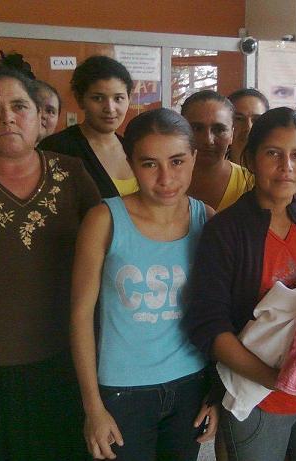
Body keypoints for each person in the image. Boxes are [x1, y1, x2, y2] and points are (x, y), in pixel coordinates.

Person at [186, 107, 296, 461]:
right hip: (259, 397)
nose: (287, 166)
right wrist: (277, 380)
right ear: (250, 160)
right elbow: (208, 324)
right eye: (273, 153)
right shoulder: (225, 231)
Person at [0, 52, 100, 460]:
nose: (7, 118)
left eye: (19, 106)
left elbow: (109, 247)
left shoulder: (72, 173)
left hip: (61, 357)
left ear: (40, 116)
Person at [70, 108, 218, 461]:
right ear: (131, 163)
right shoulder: (105, 220)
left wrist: (216, 391)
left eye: (177, 161)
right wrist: (93, 407)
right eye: (150, 164)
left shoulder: (207, 219)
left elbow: (219, 313)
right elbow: (80, 315)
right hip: (123, 390)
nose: (166, 178)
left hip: (191, 384)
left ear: (193, 158)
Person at [40, 55, 136, 198]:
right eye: (98, 98)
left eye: (118, 98)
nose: (110, 108)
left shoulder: (133, 148)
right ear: (80, 99)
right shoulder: (57, 149)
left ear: (129, 98)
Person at [181, 90, 253, 211]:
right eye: (197, 128)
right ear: (180, 131)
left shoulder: (250, 184)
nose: (208, 140)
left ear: (232, 135)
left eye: (219, 130)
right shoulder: (158, 180)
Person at [228, 87, 270, 165]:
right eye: (239, 119)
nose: (248, 127)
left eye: (256, 119)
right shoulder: (212, 169)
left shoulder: (276, 168)